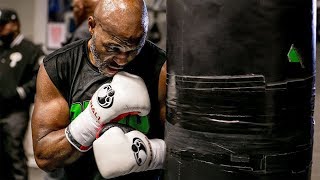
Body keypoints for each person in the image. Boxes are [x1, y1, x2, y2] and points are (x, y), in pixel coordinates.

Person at [32, 0, 167, 179]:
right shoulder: (59, 67)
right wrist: (92, 119)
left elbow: (187, 147)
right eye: (113, 47)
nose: (122, 60)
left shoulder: (160, 68)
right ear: (92, 26)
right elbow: (44, 157)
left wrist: (151, 154)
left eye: (134, 49)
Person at [0, 9, 45, 180]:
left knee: (14, 153)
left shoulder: (30, 49)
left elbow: (40, 77)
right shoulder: (2, 48)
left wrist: (21, 91)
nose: (0, 30)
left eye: (3, 25)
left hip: (15, 112)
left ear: (15, 24)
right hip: (1, 107)